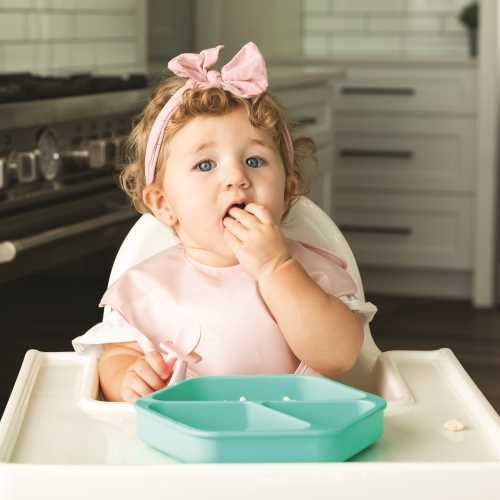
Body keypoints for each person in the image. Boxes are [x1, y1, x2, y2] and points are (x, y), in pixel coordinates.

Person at [72, 42, 376, 403]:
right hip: (183, 433)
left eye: (255, 161)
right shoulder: (147, 287)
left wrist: (276, 267)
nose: (236, 177)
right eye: (206, 165)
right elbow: (115, 358)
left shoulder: (311, 272)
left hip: (292, 432)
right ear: (164, 204)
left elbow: (340, 357)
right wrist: (129, 378)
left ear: (287, 189)